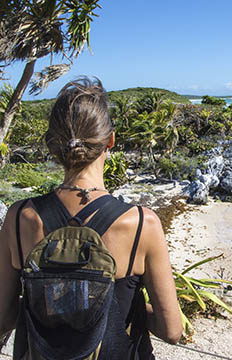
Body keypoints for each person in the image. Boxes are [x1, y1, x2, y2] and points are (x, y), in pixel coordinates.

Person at [0, 77, 182, 359]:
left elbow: (3, 318)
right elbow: (172, 330)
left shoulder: (19, 217)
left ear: (52, 145)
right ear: (110, 140)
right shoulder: (141, 224)